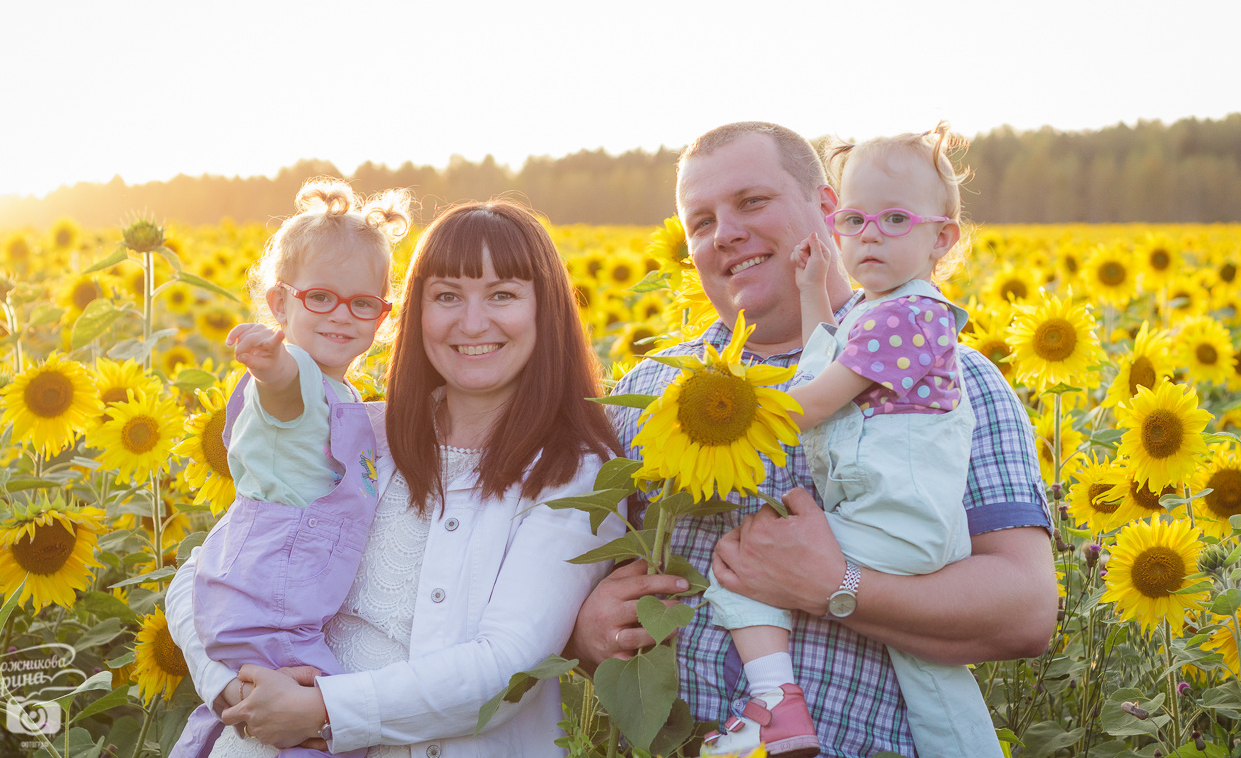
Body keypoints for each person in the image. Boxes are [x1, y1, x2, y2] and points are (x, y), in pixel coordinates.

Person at [567, 122, 1056, 758]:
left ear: (829, 209)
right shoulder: (650, 391)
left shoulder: (953, 377)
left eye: (751, 202)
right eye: (702, 221)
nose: (727, 233)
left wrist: (838, 585)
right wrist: (582, 630)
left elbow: (1023, 611)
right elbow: (541, 583)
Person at [167, 199, 625, 758]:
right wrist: (238, 688)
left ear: (545, 310)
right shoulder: (359, 431)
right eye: (447, 296)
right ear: (414, 313)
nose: (472, 322)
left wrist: (322, 712)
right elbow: (205, 573)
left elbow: (509, 663)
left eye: (502, 294)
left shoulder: (574, 472)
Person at [699, 126, 999, 757]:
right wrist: (814, 291)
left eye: (894, 220)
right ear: (838, 221)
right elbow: (824, 358)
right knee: (932, 684)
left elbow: (814, 400)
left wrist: (725, 414)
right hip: (901, 522)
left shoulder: (911, 317)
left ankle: (775, 706)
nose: (868, 235)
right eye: (858, 220)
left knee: (746, 567)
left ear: (941, 237)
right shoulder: (875, 316)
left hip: (898, 523)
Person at [173, 178, 411, 758]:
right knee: (312, 721)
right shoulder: (298, 374)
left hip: (284, 599)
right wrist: (269, 362)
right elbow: (284, 393)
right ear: (280, 303)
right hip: (268, 596)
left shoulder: (342, 391)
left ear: (381, 316)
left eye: (363, 304)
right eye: (320, 297)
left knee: (288, 713)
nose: (341, 316)